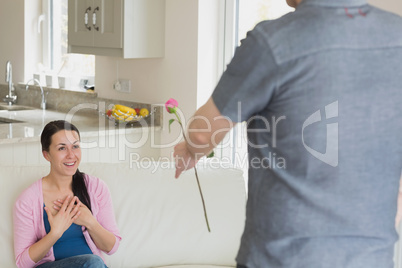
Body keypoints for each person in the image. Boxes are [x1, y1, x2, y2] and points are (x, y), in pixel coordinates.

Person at [174, 0, 402, 267]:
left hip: (283, 257)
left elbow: (203, 133)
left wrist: (190, 150)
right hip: (370, 257)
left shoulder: (274, 42)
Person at [13, 120, 121, 268]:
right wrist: (55, 233)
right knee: (94, 263)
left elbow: (111, 247)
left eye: (75, 146)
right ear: (47, 155)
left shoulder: (96, 187)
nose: (71, 155)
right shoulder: (27, 200)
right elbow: (22, 263)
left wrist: (90, 222)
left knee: (94, 263)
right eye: (62, 148)